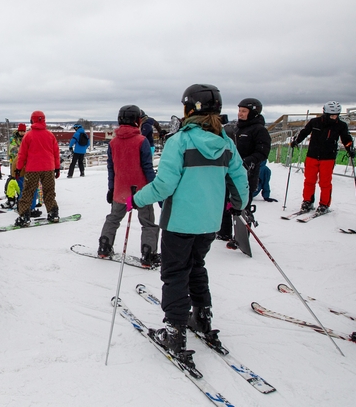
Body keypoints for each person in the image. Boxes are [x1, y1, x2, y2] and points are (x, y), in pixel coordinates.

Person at [130, 84, 248, 371]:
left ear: (189, 109)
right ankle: (202, 316)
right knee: (196, 266)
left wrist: (137, 198)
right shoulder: (225, 141)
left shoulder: (180, 141)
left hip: (180, 221)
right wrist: (239, 204)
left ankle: (174, 331)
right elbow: (240, 177)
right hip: (208, 222)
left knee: (175, 273)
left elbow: (164, 185)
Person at [98, 105, 159, 268]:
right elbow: (147, 168)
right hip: (141, 191)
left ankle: (104, 246)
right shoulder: (142, 141)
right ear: (137, 121)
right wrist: (155, 190)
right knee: (148, 223)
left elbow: (111, 168)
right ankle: (148, 254)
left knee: (113, 218)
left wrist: (111, 188)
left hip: (120, 189)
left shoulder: (113, 143)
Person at [217, 98, 271, 243]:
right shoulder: (236, 128)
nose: (240, 114)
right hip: (229, 171)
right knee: (225, 202)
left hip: (248, 173)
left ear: (253, 113)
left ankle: (241, 237)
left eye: (244, 111)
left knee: (241, 203)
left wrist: (247, 161)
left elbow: (263, 152)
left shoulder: (259, 130)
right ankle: (224, 232)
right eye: (239, 110)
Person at [291, 101, 354, 214]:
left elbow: (346, 139)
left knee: (325, 182)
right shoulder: (315, 122)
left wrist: (350, 148)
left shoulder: (341, 125)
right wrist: (296, 141)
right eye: (332, 115)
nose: (334, 117)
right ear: (325, 114)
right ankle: (307, 202)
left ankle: (324, 204)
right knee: (309, 180)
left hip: (328, 157)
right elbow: (304, 132)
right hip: (312, 155)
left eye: (336, 115)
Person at [14, 110, 61, 226]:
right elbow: (56, 153)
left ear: (32, 120)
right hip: (48, 168)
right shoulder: (50, 135)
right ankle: (53, 213)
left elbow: (22, 154)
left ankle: (25, 216)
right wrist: (57, 168)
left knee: (28, 192)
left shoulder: (28, 136)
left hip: (32, 169)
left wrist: (18, 168)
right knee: (49, 191)